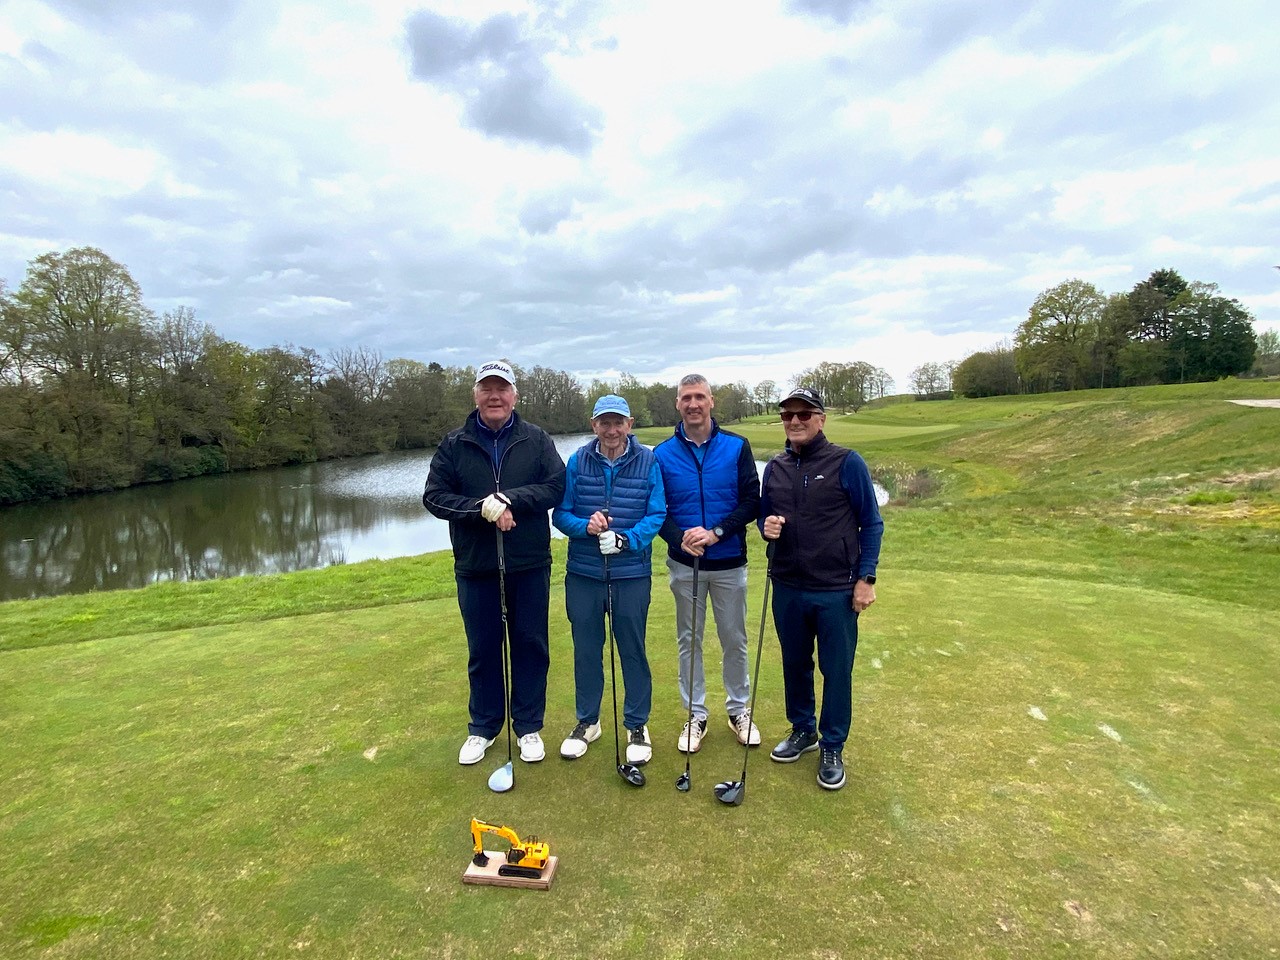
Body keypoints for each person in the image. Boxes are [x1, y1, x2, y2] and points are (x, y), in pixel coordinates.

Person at [423, 360, 566, 768]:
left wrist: (509, 500)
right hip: (476, 564)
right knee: (483, 649)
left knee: (531, 645)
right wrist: (480, 508)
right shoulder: (455, 443)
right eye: (486, 388)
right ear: (476, 395)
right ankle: (483, 727)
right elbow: (433, 497)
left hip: (528, 562)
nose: (494, 396)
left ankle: (528, 727)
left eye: (501, 388)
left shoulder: (535, 439)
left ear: (514, 395)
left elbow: (556, 486)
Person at [759, 386, 883, 791]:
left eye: (804, 414)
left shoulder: (847, 462)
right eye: (787, 415)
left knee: (836, 669)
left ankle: (832, 745)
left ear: (821, 419)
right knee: (794, 663)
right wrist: (766, 527)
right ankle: (803, 729)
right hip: (787, 584)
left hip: (836, 588)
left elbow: (871, 523)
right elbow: (765, 519)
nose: (795, 421)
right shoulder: (775, 467)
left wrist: (866, 578)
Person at [552, 395, 666, 766]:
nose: (612, 430)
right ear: (594, 425)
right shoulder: (577, 461)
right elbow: (561, 515)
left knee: (632, 648)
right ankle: (588, 722)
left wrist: (626, 540)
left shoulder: (648, 460)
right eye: (605, 422)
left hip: (631, 574)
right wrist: (585, 526)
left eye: (618, 422)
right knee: (586, 650)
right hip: (583, 574)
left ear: (629, 425)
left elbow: (657, 514)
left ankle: (637, 725)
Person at [654, 374, 762, 754]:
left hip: (729, 561)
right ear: (678, 404)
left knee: (734, 639)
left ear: (711, 401)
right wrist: (679, 538)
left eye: (700, 396)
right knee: (690, 640)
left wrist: (717, 532)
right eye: (686, 397)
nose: (693, 404)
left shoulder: (736, 446)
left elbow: (751, 501)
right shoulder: (661, 454)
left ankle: (738, 710)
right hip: (686, 566)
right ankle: (695, 714)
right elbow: (657, 510)